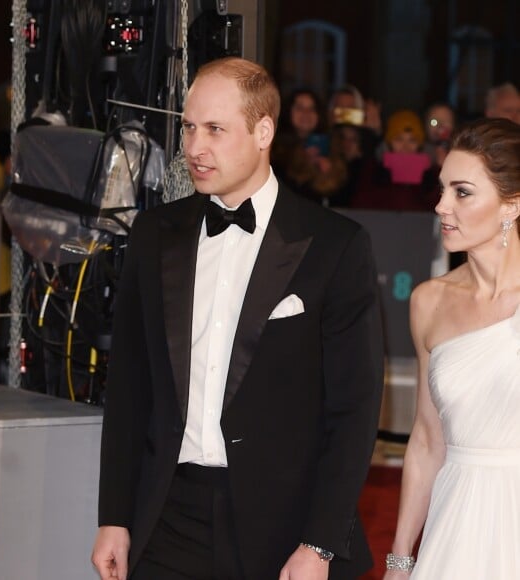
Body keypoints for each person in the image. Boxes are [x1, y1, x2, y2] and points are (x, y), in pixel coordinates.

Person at [91, 56, 384, 580]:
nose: (195, 147)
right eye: (189, 128)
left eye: (216, 130)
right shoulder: (155, 235)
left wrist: (319, 544)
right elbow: (130, 388)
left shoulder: (334, 246)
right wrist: (113, 517)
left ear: (264, 130)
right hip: (167, 517)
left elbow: (353, 414)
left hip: (282, 529)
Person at [384, 117, 520, 579]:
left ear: (511, 205)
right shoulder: (429, 301)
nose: (442, 205)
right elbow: (425, 440)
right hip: (455, 528)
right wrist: (401, 558)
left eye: (462, 192)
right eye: (442, 189)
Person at [271, 88, 345, 204]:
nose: (306, 113)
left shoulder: (333, 145)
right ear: (288, 112)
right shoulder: (275, 149)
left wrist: (327, 174)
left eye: (312, 109)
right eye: (300, 108)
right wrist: (303, 163)